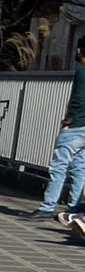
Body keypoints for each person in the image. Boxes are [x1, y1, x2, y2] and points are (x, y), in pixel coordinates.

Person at [35, 35, 85, 219]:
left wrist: (68, 121)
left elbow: (78, 99)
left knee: (59, 166)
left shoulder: (82, 71)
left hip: (77, 126)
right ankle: (73, 209)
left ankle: (47, 207)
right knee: (80, 168)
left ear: (79, 50)